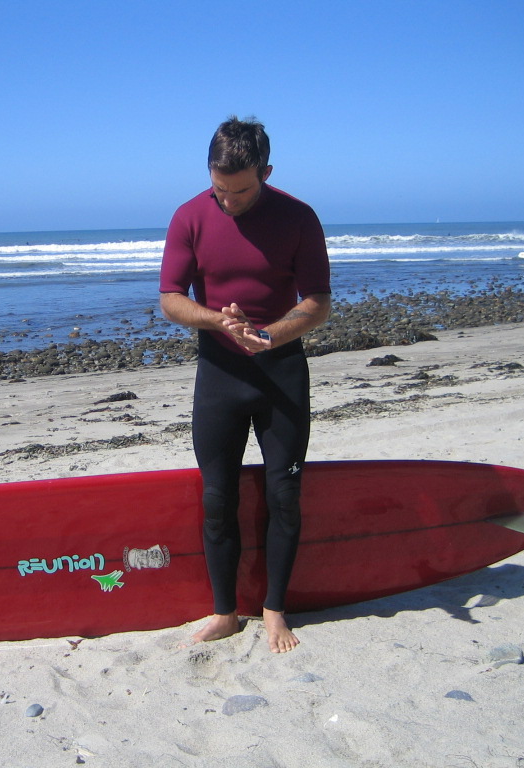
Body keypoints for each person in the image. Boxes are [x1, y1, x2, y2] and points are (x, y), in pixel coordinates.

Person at [159, 116, 331, 653]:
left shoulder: (298, 217)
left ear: (266, 173)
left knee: (284, 495)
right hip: (220, 375)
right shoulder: (189, 216)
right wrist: (218, 321)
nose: (228, 202)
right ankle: (225, 611)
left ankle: (275, 610)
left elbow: (318, 302)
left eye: (241, 191)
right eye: (220, 189)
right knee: (217, 498)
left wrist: (271, 336)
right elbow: (170, 298)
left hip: (281, 374)